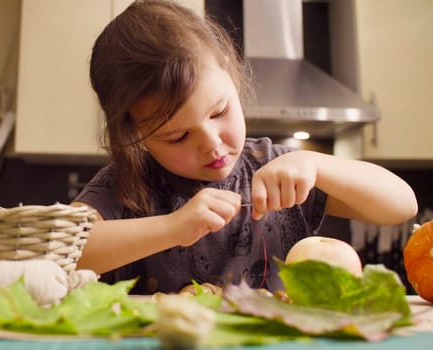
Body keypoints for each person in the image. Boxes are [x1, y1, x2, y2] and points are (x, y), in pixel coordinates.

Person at [72, 0, 418, 294]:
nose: (212, 143)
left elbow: (401, 206)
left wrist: (315, 164)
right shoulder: (128, 183)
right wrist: (173, 227)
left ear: (232, 77)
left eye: (220, 111)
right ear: (133, 133)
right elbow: (68, 251)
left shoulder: (273, 167)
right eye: (178, 137)